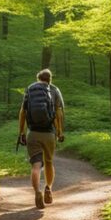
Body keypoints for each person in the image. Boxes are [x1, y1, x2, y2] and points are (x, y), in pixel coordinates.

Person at [18, 69, 65, 209]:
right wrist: (60, 131)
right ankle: (48, 188)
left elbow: (22, 112)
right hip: (49, 134)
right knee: (49, 162)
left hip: (33, 133)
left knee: (36, 165)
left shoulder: (30, 89)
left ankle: (37, 192)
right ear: (50, 79)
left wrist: (21, 132)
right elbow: (59, 113)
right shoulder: (54, 90)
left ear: (38, 78)